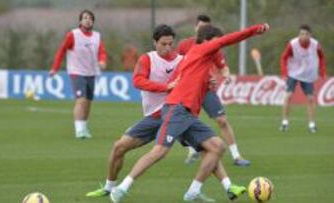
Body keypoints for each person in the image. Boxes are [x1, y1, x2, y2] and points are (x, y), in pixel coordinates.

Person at [110, 23, 269, 203]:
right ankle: (121, 189)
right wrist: (255, 29)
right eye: (215, 43)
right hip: (177, 109)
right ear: (207, 41)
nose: (218, 47)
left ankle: (194, 192)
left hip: (188, 114)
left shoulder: (197, 58)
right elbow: (228, 40)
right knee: (159, 151)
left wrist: (207, 82)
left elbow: (186, 79)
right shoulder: (202, 49)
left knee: (217, 147)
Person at [178, 14, 250, 166]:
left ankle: (236, 156)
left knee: (222, 120)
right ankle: (192, 151)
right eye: (200, 26)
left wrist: (227, 75)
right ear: (195, 27)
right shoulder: (184, 45)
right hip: (189, 91)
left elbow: (223, 67)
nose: (202, 29)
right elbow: (177, 67)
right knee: (187, 121)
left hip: (207, 89)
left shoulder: (214, 46)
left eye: (205, 27)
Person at [50, 10, 107, 139]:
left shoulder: (97, 36)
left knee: (87, 102)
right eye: (85, 18)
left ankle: (84, 127)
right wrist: (55, 68)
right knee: (80, 100)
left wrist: (102, 61)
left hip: (91, 73)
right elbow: (61, 51)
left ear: (93, 21)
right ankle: (79, 130)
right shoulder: (73, 35)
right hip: (76, 72)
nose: (88, 20)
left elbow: (101, 51)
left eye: (90, 18)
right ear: (80, 21)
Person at [280, 24, 326, 133]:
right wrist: (284, 72)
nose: (303, 36)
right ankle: (285, 123)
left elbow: (322, 57)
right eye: (301, 34)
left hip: (308, 74)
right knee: (288, 96)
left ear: (310, 35)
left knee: (310, 99)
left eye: (306, 34)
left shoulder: (315, 44)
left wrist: (323, 71)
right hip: (293, 73)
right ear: (299, 35)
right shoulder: (292, 44)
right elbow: (283, 58)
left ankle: (312, 124)